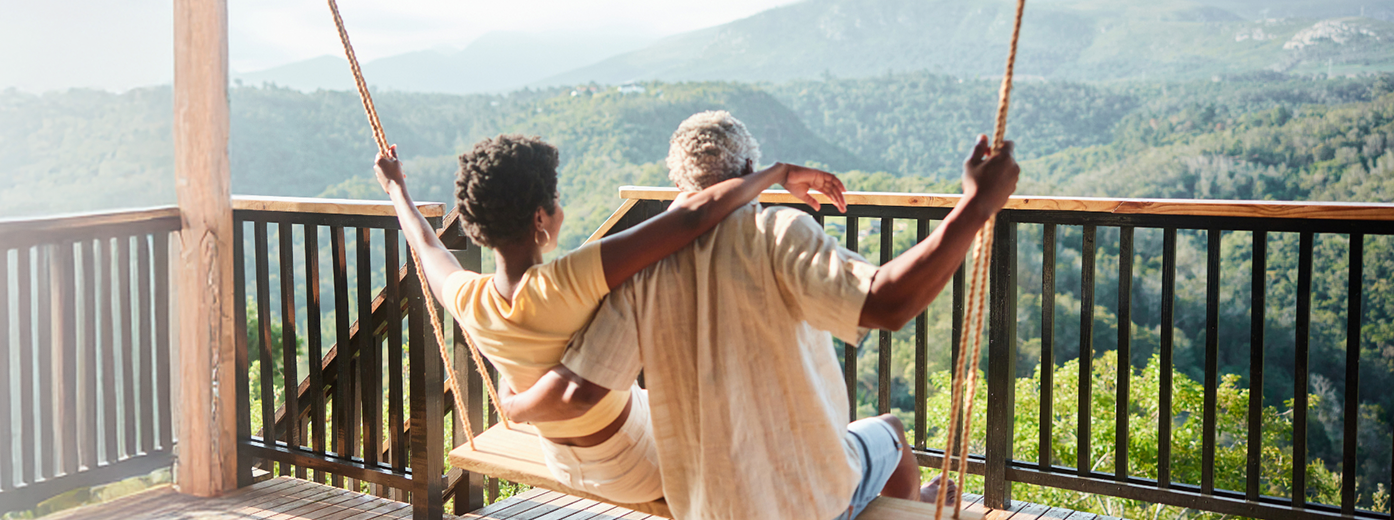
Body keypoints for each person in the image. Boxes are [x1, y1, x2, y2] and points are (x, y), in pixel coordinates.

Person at [543, 111, 1021, 520]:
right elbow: (887, 303)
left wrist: (517, 397)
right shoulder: (776, 232)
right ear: (750, 170)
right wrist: (977, 205)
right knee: (891, 432)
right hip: (809, 502)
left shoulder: (642, 270)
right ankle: (915, 503)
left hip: (709, 507)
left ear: (679, 187)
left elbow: (582, 388)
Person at [368, 132, 850, 504]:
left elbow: (427, 245)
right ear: (540, 219)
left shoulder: (469, 298)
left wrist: (397, 191)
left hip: (566, 461)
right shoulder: (567, 281)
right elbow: (690, 218)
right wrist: (776, 172)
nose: (560, 209)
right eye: (555, 201)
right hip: (635, 465)